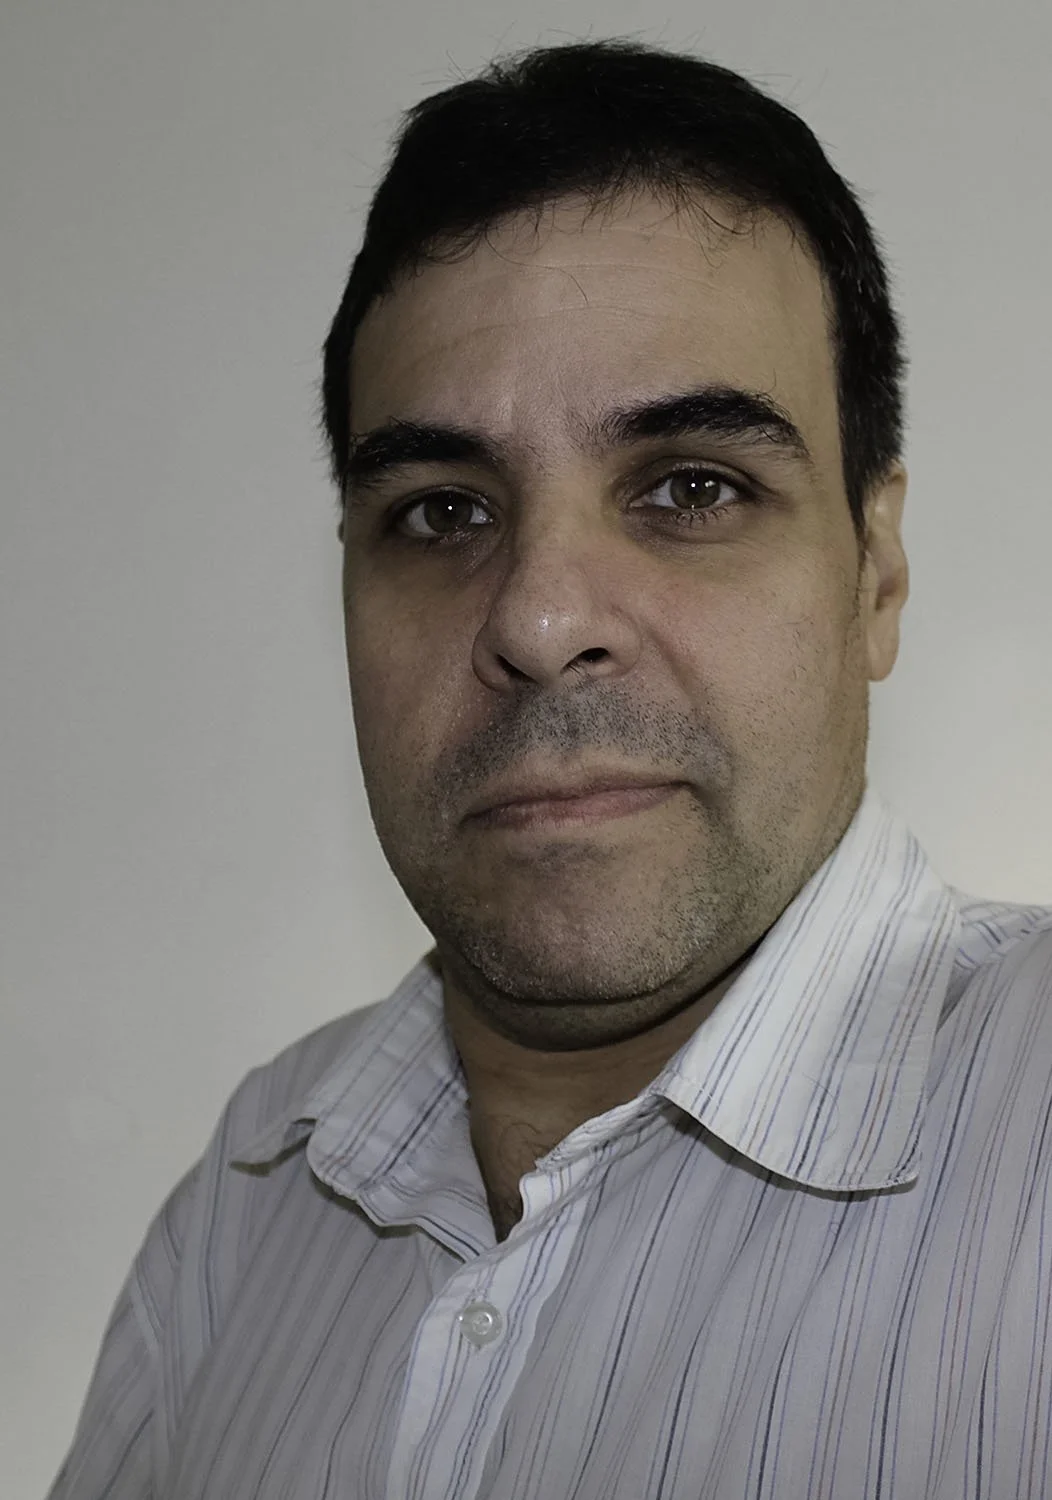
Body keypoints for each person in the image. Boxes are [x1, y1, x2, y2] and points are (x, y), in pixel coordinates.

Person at [48, 38, 1052, 1500]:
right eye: (443, 512)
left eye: (692, 487)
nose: (537, 617)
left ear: (876, 571)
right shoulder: (249, 1199)